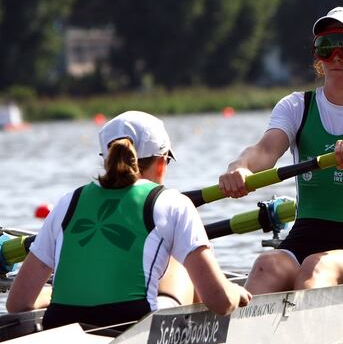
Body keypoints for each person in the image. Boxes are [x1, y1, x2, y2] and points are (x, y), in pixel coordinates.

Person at [6, 111, 251, 331]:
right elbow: (220, 303)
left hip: (62, 325)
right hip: (132, 331)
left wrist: (51, 294)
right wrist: (234, 291)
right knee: (180, 260)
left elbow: (17, 303)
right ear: (161, 161)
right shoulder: (173, 203)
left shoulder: (67, 202)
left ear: (107, 159)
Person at [218, 7, 343, 293]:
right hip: (302, 239)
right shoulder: (296, 107)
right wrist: (239, 167)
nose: (337, 58)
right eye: (327, 47)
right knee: (266, 264)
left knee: (318, 266)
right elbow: (265, 150)